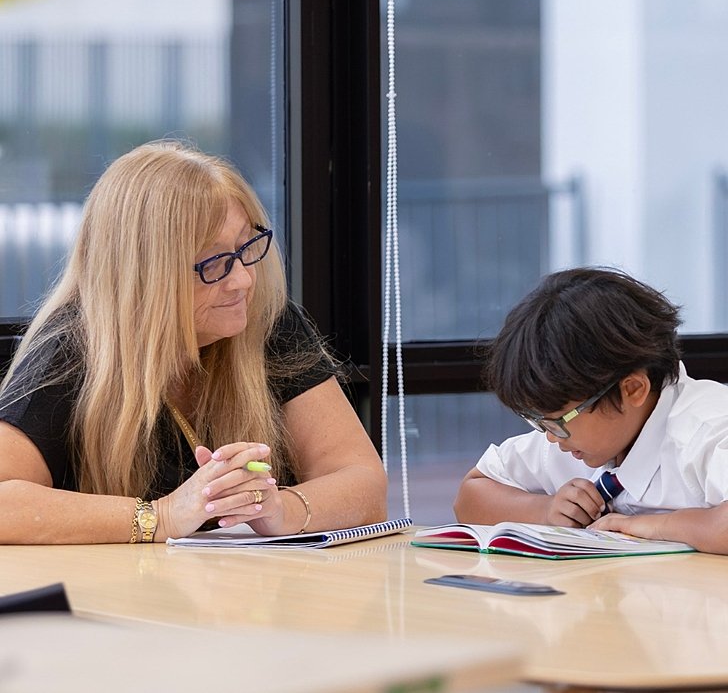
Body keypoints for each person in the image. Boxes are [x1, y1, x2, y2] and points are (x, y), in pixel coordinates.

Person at [0, 140, 387, 544]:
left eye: (245, 246)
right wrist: (161, 517)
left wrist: (280, 509)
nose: (243, 280)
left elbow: (364, 483)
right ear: (144, 277)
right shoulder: (70, 349)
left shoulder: (269, 323)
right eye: (215, 263)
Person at [454, 267, 728, 554]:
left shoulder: (707, 427)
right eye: (541, 422)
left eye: (558, 421)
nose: (550, 437)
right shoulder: (569, 438)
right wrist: (546, 510)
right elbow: (470, 496)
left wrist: (654, 526)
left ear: (633, 389)